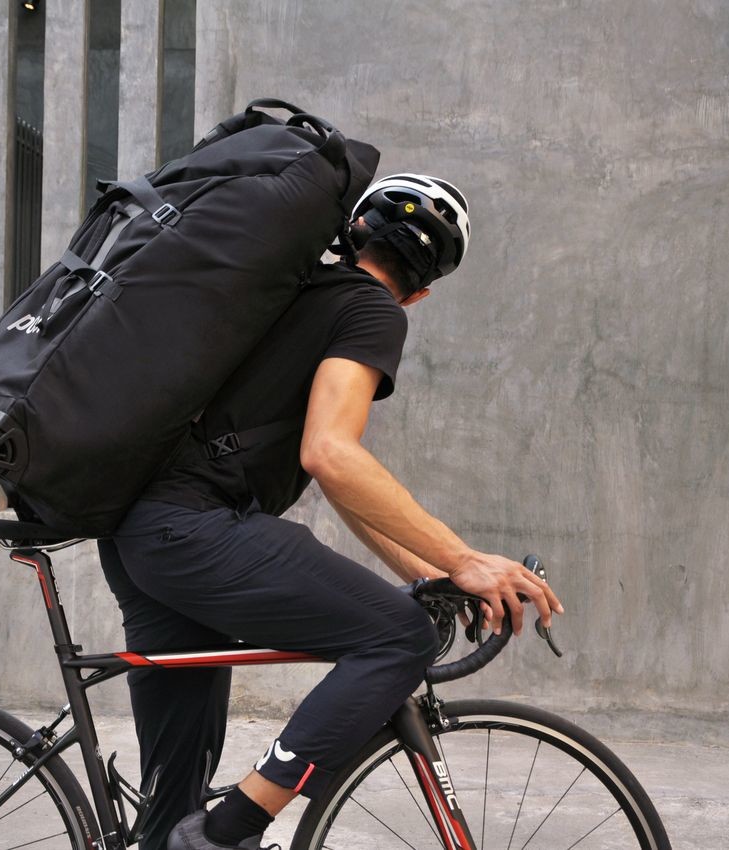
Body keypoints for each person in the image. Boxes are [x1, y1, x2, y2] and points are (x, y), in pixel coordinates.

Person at [97, 173, 563, 850]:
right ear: (425, 289)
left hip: (142, 535)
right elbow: (330, 455)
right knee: (395, 637)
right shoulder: (372, 310)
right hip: (195, 529)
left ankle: (187, 835)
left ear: (357, 233)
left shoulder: (290, 291)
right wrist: (464, 559)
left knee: (168, 823)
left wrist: (434, 571)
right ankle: (229, 831)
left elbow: (341, 482)